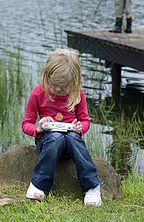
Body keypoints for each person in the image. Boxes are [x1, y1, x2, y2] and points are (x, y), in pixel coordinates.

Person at [21, 48, 102, 207]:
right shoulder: (38, 93)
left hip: (71, 143)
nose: (58, 90)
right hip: (48, 141)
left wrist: (80, 127)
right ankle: (39, 185)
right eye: (54, 85)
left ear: (74, 81)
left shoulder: (77, 93)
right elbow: (25, 124)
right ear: (46, 76)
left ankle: (91, 187)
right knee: (56, 137)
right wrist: (39, 128)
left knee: (72, 137)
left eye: (64, 87)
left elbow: (85, 121)